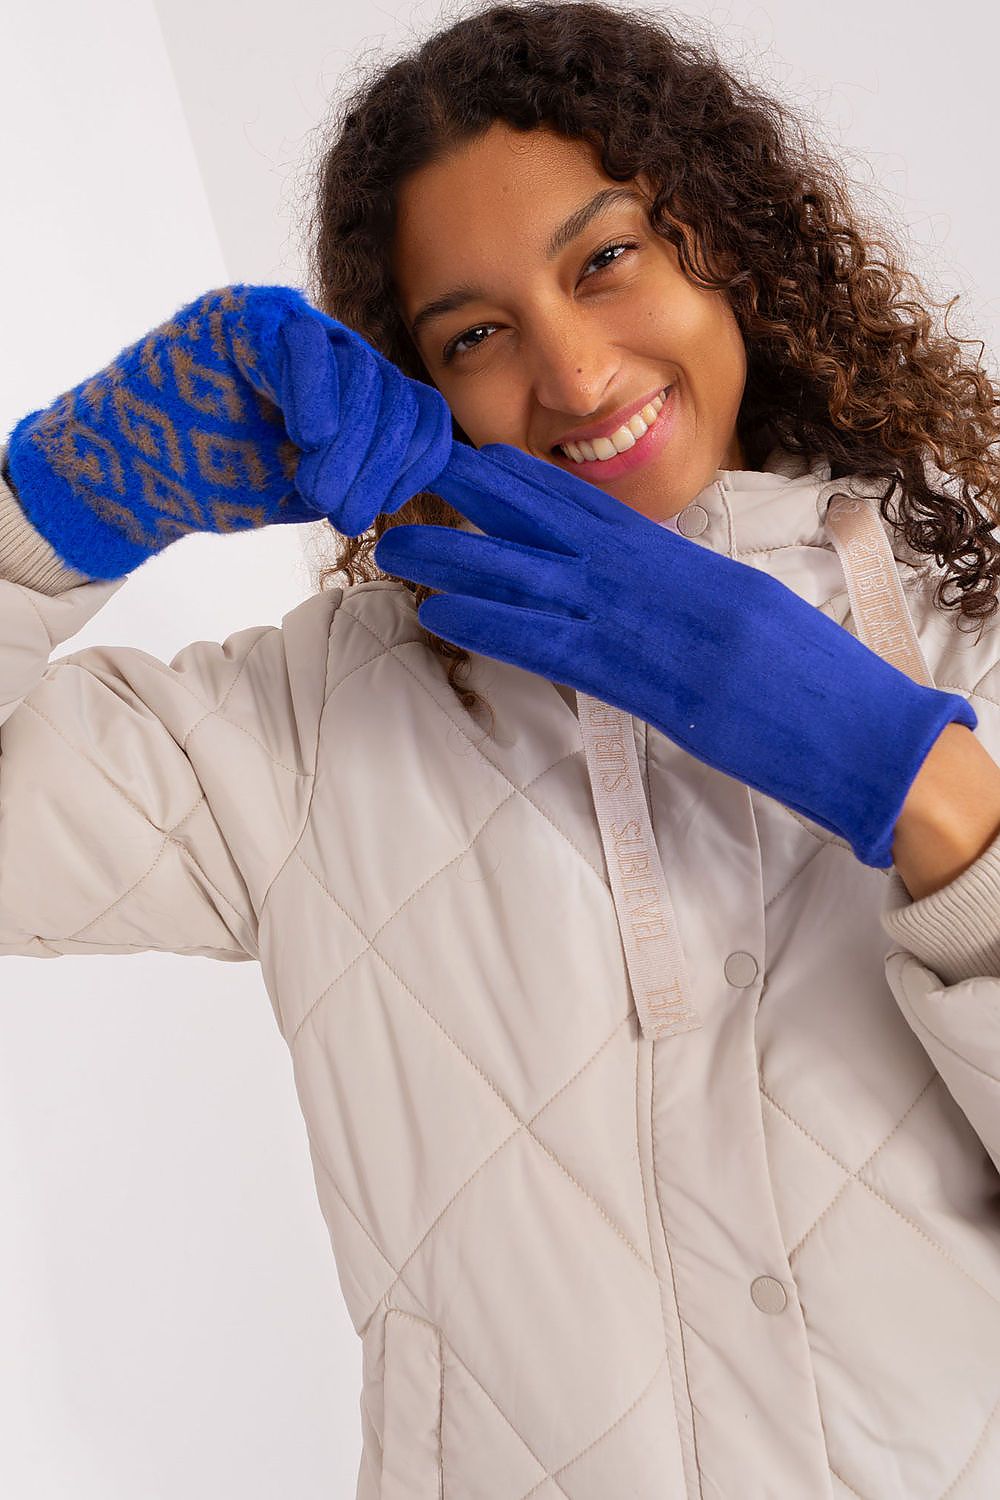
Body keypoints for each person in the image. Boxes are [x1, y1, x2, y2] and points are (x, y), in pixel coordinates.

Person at [3, 1, 1000, 1494]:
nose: (577, 374)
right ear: (411, 379)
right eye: (474, 334)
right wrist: (50, 518)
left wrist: (926, 786)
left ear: (726, 242)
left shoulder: (977, 621)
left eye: (607, 260)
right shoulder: (312, 726)